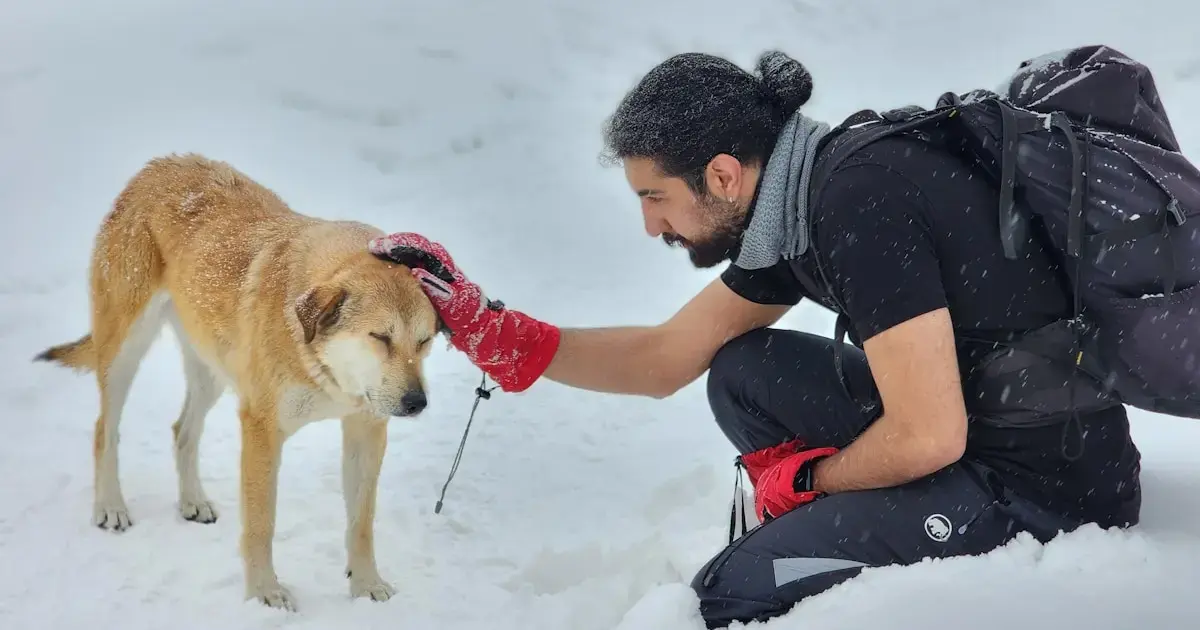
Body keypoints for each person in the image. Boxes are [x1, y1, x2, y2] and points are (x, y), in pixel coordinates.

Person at [368, 50, 1144, 628]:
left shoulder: (859, 205)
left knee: (727, 594)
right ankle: (829, 536)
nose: (650, 225)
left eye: (655, 197)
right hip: (974, 423)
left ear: (724, 175)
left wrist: (810, 482)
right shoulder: (799, 201)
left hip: (1042, 487)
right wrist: (489, 328)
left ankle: (823, 557)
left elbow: (929, 434)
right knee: (739, 369)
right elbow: (665, 358)